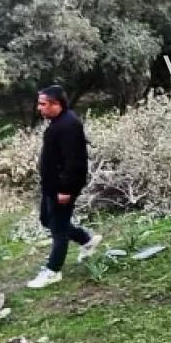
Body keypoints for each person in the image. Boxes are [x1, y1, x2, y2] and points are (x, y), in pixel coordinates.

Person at [26, 85, 102, 289]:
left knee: (58, 228)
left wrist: (66, 190)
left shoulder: (68, 125)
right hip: (52, 185)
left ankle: (53, 271)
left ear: (56, 104)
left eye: (43, 104)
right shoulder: (58, 122)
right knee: (46, 220)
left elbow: (75, 162)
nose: (39, 108)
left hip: (63, 187)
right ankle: (87, 240)